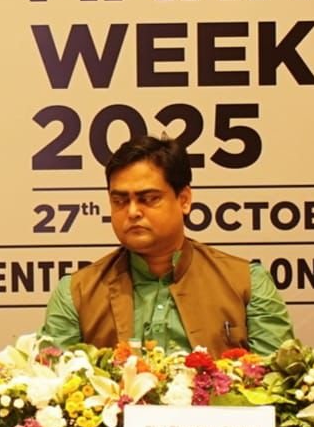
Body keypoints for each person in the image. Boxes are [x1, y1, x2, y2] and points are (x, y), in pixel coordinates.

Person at [39, 135, 293, 356]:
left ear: (184, 200)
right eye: (120, 201)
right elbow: (51, 384)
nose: (133, 212)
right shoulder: (76, 293)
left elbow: (276, 385)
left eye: (149, 198)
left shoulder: (247, 283)